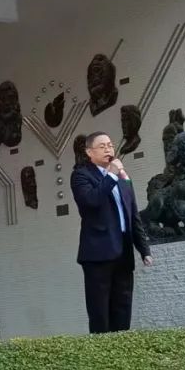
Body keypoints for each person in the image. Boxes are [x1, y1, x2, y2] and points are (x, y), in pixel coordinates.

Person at [70, 131, 152, 334]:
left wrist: (144, 249)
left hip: (124, 250)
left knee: (122, 308)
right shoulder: (81, 175)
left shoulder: (123, 178)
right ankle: (102, 350)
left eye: (110, 145)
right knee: (100, 312)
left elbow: (133, 215)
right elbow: (91, 201)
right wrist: (112, 175)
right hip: (98, 253)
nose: (108, 149)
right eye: (102, 146)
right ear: (89, 152)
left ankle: (121, 348)